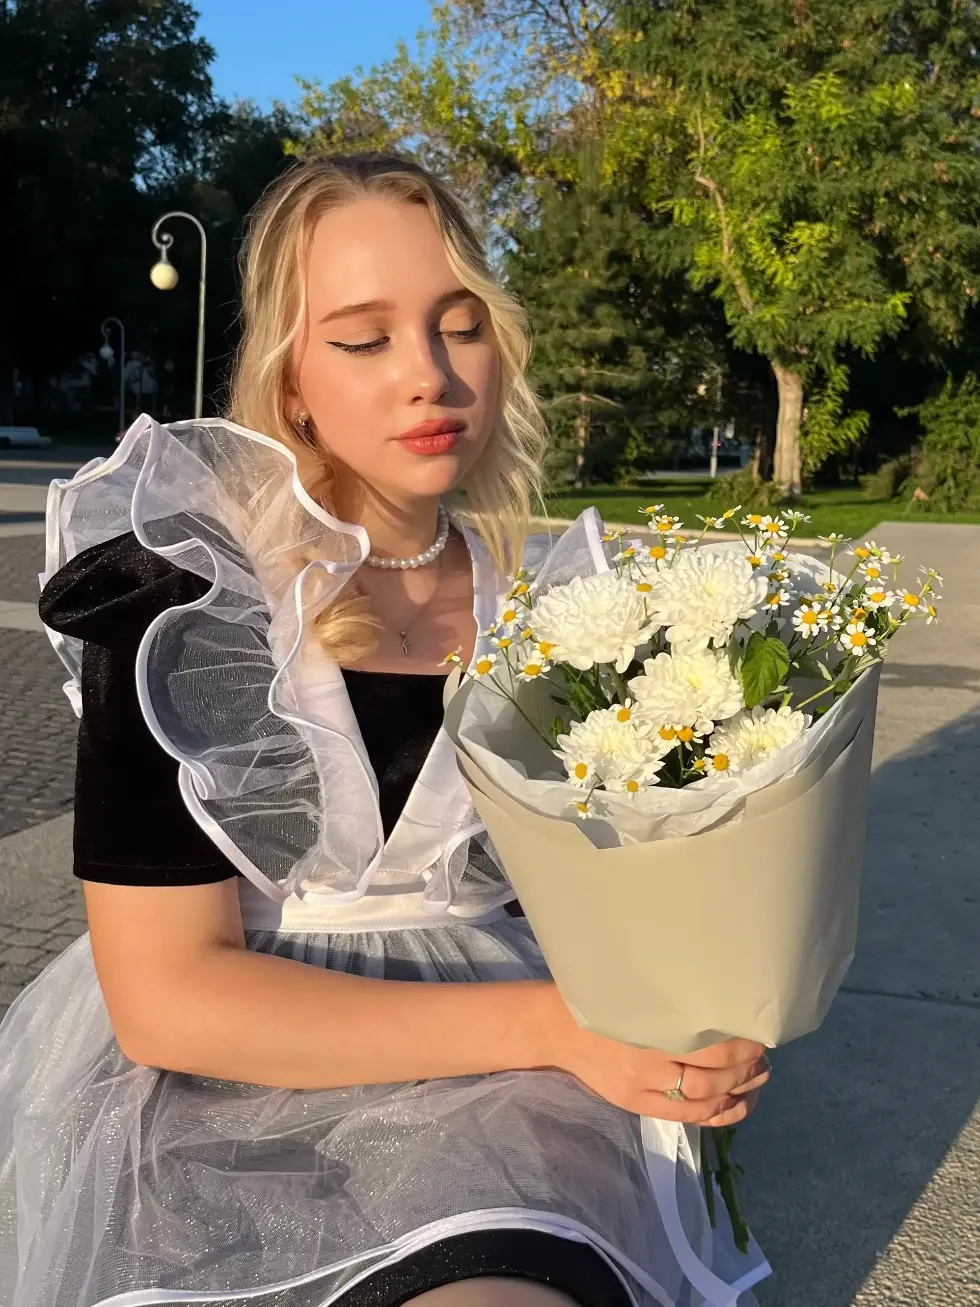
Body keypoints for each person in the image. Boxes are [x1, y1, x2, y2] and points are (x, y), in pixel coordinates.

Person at [0, 154, 772, 1307]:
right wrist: (561, 1026)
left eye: (459, 326)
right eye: (363, 338)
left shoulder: (567, 610)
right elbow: (166, 1000)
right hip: (234, 1090)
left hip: (501, 1097)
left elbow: (599, 901)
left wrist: (691, 1009)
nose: (429, 375)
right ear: (291, 381)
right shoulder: (185, 597)